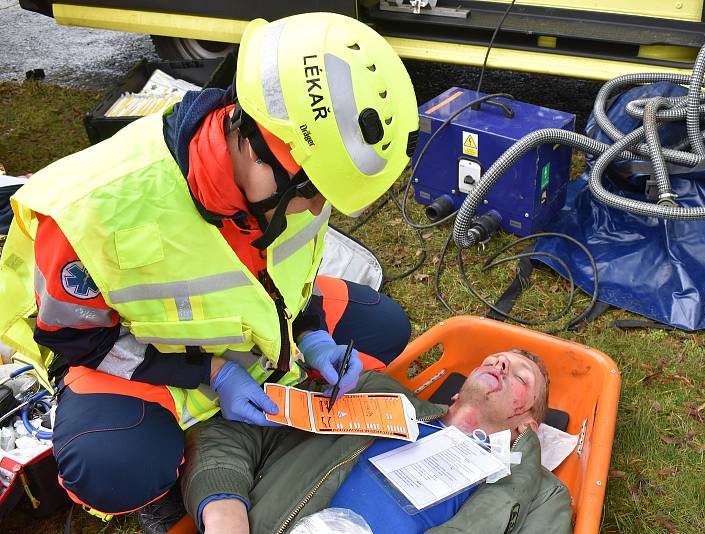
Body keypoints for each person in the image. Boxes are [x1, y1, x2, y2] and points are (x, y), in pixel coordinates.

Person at [0, 12, 419, 522]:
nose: (314, 209)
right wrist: (213, 373)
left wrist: (312, 338)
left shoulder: (300, 176)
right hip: (133, 356)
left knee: (386, 327)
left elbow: (296, 278)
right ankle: (165, 468)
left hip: (251, 327)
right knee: (113, 467)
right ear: (254, 139)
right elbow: (78, 340)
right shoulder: (90, 210)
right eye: (308, 190)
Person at [185, 349, 573, 534]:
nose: (501, 364)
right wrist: (223, 507)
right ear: (455, 394)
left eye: (522, 378)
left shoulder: (541, 491)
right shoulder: (375, 395)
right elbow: (237, 428)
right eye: (494, 359)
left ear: (527, 428)